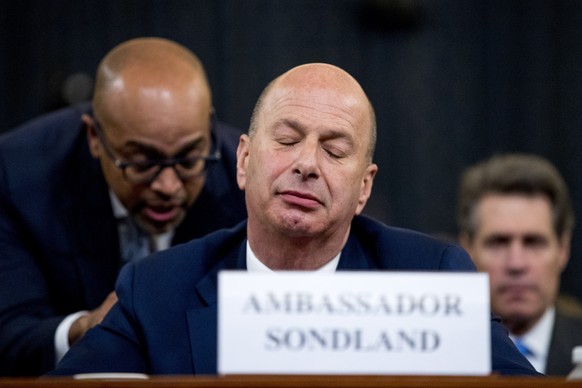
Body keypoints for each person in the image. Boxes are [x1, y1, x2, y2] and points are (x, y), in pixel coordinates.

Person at [49, 63, 538, 376]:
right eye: (287, 140)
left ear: (364, 187)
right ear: (243, 161)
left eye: (334, 149)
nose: (307, 164)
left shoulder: (428, 275)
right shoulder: (158, 288)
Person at [0, 37, 247, 376]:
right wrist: (84, 328)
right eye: (143, 163)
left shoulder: (249, 180)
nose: (168, 186)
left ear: (208, 128)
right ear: (94, 138)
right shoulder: (16, 177)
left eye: (189, 159)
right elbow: (9, 335)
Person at [457, 153, 582, 375]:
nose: (516, 264)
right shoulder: (442, 357)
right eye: (498, 243)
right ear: (467, 251)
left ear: (563, 250)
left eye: (534, 243)